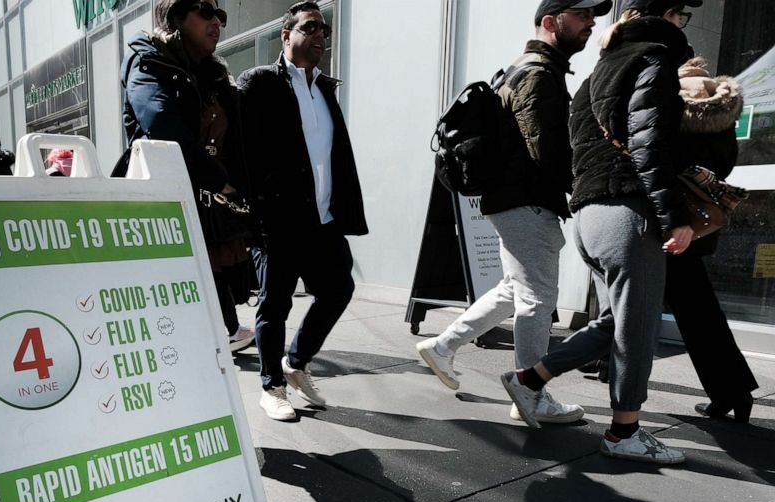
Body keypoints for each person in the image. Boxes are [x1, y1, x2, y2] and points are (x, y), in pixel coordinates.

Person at [502, 0, 701, 465]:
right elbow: (647, 142)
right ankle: (623, 433)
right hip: (628, 213)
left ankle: (529, 379)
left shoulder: (595, 72)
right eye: (681, 15)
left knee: (614, 323)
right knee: (638, 328)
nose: (682, 24)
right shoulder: (653, 58)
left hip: (590, 217)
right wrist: (675, 217)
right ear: (666, 16)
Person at [416, 0, 610, 426]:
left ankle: (443, 346)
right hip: (526, 201)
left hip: (511, 201)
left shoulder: (522, 68)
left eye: (592, 16)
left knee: (514, 289)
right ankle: (531, 392)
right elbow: (547, 149)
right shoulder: (539, 74)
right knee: (538, 299)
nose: (590, 23)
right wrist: (584, 190)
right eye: (580, 15)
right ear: (549, 22)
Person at [237, 2, 368, 421]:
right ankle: (272, 385)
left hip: (322, 218)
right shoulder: (259, 82)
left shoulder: (325, 88)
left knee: (338, 289)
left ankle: (296, 362)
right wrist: (254, 209)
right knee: (274, 304)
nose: (320, 36)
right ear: (286, 35)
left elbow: (333, 155)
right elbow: (243, 151)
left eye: (324, 29)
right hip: (276, 219)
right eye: (310, 27)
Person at [116, 0, 256, 354]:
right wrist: (218, 180)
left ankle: (216, 349)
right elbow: (164, 127)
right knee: (176, 300)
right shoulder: (147, 60)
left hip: (208, 202)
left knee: (209, 286)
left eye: (220, 15)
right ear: (177, 16)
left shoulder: (212, 75)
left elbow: (236, 138)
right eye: (206, 11)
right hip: (163, 203)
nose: (217, 22)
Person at [667, 55, 757, 423]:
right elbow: (724, 166)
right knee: (701, 312)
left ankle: (609, 372)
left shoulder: (672, 104)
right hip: (701, 221)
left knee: (628, 303)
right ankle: (734, 391)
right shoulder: (724, 116)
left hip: (670, 220)